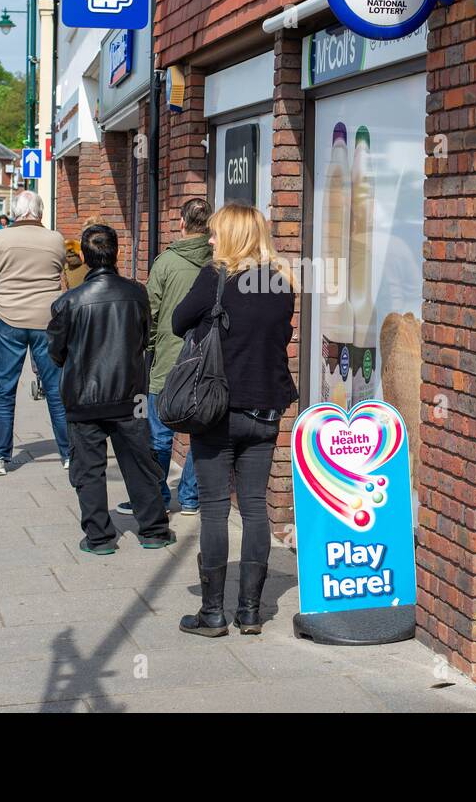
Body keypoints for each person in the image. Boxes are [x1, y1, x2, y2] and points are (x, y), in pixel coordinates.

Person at [174, 204, 297, 637]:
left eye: (215, 234)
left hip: (217, 410)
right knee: (254, 508)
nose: (209, 240)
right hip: (264, 410)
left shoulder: (215, 278)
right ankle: (250, 611)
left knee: (212, 510)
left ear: (230, 237)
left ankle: (212, 613)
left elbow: (177, 322)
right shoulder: (281, 282)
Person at [47, 224, 175, 554]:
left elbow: (56, 352)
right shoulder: (137, 293)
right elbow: (146, 336)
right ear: (116, 252)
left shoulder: (69, 302)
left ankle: (100, 537)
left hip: (83, 398)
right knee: (140, 464)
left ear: (86, 259)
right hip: (130, 395)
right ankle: (154, 531)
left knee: (88, 469)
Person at [115, 197, 211, 519]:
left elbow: (150, 314)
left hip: (168, 362)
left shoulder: (166, 263)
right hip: (208, 363)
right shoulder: (220, 262)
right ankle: (191, 498)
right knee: (201, 433)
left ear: (181, 224)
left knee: (159, 433)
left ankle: (157, 494)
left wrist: (148, 350)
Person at [0, 190, 70, 477]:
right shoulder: (55, 240)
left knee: (3, 389)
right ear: (40, 212)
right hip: (47, 320)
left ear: (15, 212)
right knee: (56, 389)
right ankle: (69, 454)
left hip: (7, 317)